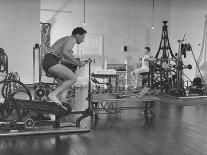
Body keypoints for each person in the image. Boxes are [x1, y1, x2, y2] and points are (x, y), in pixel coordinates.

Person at [42, 27, 88, 109]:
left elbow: (63, 59)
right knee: (73, 78)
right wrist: (78, 62)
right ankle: (52, 95)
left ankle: (61, 103)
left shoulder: (66, 39)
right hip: (50, 60)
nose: (83, 40)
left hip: (48, 61)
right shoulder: (72, 39)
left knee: (66, 83)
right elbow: (65, 52)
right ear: (77, 35)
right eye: (83, 37)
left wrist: (79, 63)